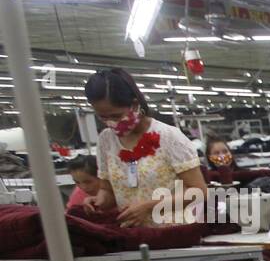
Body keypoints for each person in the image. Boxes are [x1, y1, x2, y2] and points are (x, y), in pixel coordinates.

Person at [83, 68, 206, 226]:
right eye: (102, 117)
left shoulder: (169, 137)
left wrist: (149, 207)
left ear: (135, 104)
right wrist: (98, 201)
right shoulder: (106, 140)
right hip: (132, 233)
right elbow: (107, 191)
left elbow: (198, 192)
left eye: (116, 116)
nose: (110, 123)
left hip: (174, 233)